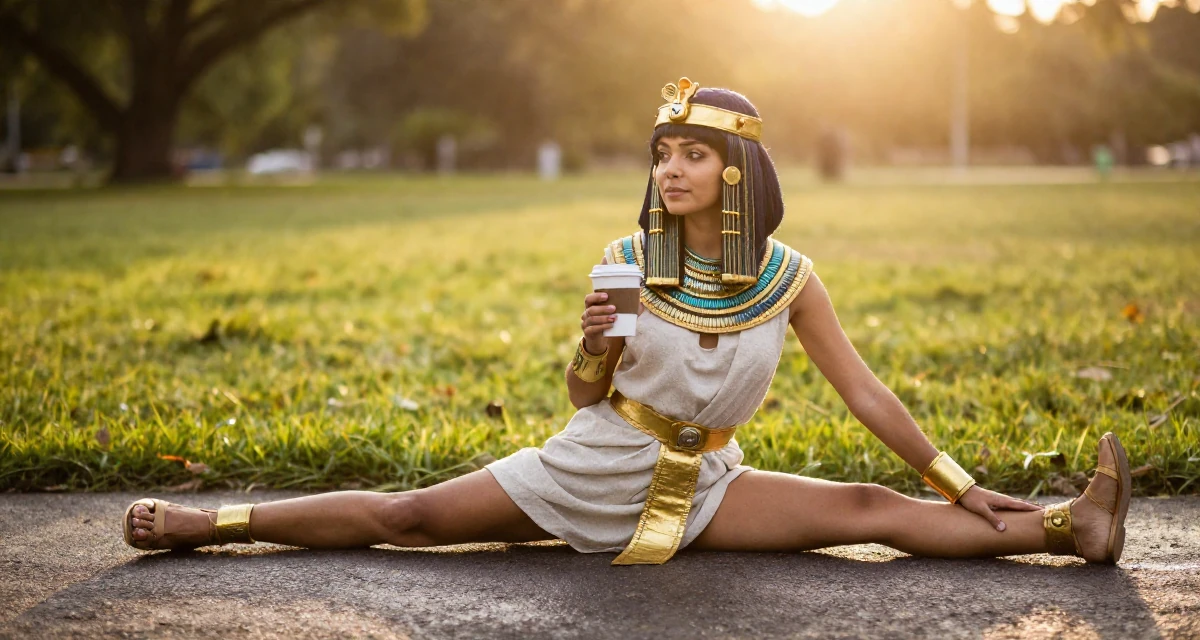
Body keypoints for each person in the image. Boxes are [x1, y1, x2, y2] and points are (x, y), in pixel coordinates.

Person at [123, 78, 1131, 566]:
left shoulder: (791, 277)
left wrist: (957, 481)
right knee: (407, 518)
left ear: (734, 171)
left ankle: (1065, 525)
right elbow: (580, 393)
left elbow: (863, 391)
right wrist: (593, 347)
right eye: (662, 155)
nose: (671, 170)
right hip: (589, 467)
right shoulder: (625, 260)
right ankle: (217, 525)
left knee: (868, 510)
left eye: (691, 154)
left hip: (707, 486)